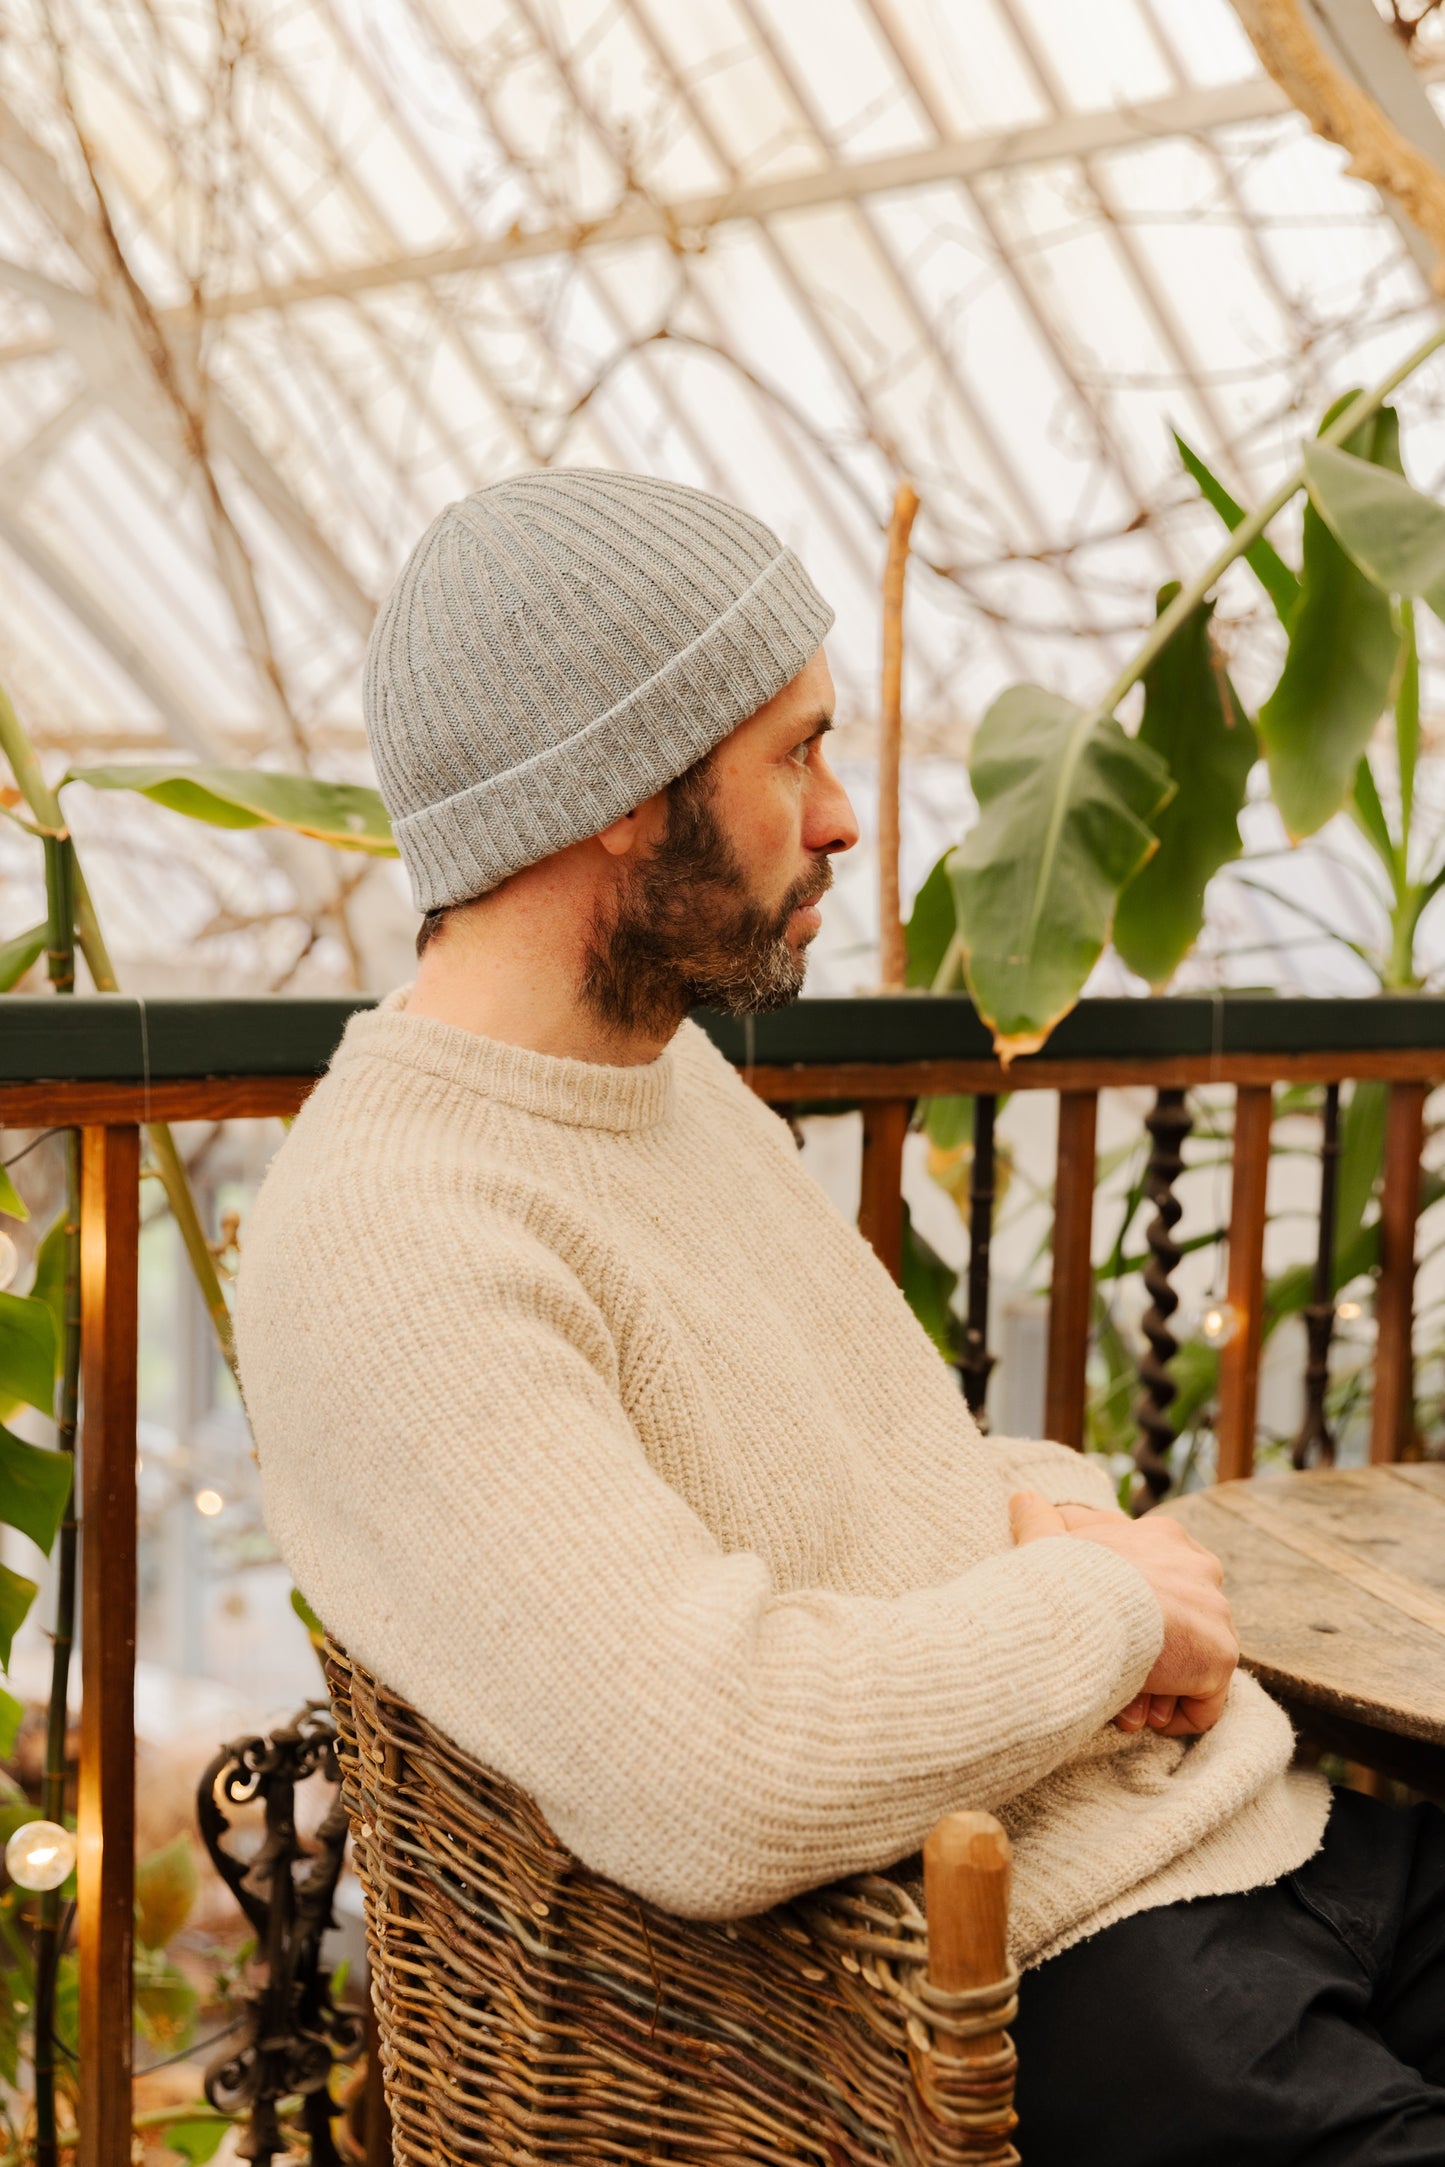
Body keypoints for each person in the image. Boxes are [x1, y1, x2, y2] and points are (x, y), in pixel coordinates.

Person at [236, 470, 1444, 2164]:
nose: (842, 817)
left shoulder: (661, 1083)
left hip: (1265, 1836)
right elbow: (715, 1766)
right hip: (1054, 1978)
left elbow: (904, 1480)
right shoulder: (391, 1235)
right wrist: (1101, 1615)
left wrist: (1076, 1532)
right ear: (613, 790)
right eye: (791, 754)